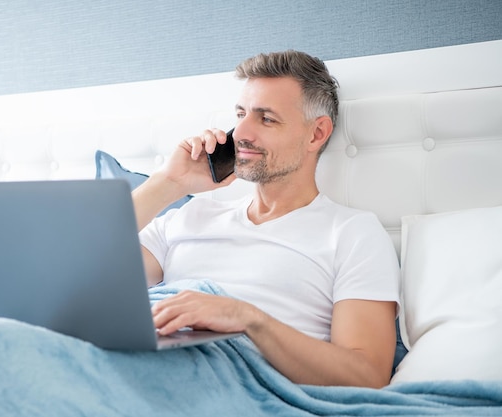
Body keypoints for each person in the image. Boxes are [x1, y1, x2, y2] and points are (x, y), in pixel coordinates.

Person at [132, 50, 400, 388]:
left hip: (227, 388)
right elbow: (79, 269)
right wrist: (167, 183)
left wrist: (246, 318)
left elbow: (367, 374)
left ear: (316, 134)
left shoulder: (351, 233)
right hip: (143, 366)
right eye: (240, 114)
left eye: (266, 118)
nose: (241, 133)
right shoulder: (192, 215)